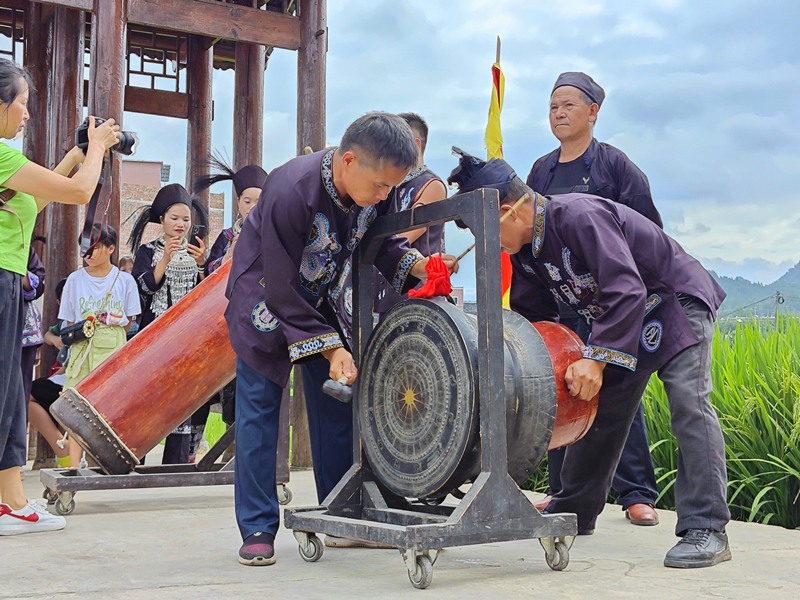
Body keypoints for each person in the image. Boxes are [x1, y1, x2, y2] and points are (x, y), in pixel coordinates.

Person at [448, 150, 731, 568]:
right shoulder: (526, 254)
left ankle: (707, 528)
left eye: (483, 231)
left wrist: (596, 360)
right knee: (595, 406)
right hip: (623, 319)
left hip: (673, 301)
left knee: (688, 403)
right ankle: (575, 510)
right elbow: (533, 326)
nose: (486, 243)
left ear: (508, 212)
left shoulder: (577, 216)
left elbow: (626, 289)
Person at [225, 112, 458, 566]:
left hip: (320, 302)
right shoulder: (290, 189)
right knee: (259, 414)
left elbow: (379, 244)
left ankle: (339, 513)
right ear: (348, 160)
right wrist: (331, 347)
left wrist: (417, 265)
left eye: (392, 188)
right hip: (264, 300)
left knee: (337, 405)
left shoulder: (377, 189)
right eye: (380, 187)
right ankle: (257, 526)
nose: (384, 195)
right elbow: (278, 282)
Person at [527, 72, 660, 526]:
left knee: (619, 394)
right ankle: (564, 494)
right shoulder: (541, 171)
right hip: (567, 302)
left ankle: (636, 493)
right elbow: (532, 238)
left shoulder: (615, 167)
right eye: (552, 106)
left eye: (567, 105)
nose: (559, 113)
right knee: (562, 392)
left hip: (617, 305)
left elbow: (647, 237)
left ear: (593, 111)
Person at [0, 57, 120, 535]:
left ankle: (11, 501)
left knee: (11, 394)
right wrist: (98, 149)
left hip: (8, 284)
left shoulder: (9, 166)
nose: (27, 115)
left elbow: (37, 199)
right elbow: (78, 193)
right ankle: (10, 501)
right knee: (6, 393)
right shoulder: (2, 156)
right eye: (23, 104)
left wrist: (78, 151)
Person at [190, 158, 268, 459]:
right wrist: (232, 254)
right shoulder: (226, 237)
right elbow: (211, 270)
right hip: (224, 322)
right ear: (238, 202)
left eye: (258, 200)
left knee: (250, 386)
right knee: (222, 387)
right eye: (247, 200)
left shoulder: (270, 232)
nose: (252, 206)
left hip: (259, 320)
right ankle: (216, 446)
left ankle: (242, 449)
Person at [129, 183, 208, 463]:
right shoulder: (147, 252)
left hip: (188, 336)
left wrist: (201, 266)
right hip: (154, 333)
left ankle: (176, 461)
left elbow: (205, 296)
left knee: (183, 396)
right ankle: (134, 454)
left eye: (185, 219)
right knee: (149, 393)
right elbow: (145, 290)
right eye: (174, 218)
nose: (180, 224)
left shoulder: (196, 251)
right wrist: (164, 259)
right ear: (161, 219)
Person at [59, 225, 141, 467]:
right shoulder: (74, 280)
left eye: (94, 247)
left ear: (111, 248)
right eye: (84, 248)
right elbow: (69, 322)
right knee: (76, 407)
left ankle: (106, 461)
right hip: (82, 351)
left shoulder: (125, 281)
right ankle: (74, 464)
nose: (88, 253)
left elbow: (129, 322)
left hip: (112, 351)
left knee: (112, 406)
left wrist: (109, 326)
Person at [27, 279, 70, 466]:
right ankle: (62, 449)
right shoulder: (64, 323)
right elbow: (48, 335)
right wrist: (55, 340)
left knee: (27, 395)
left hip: (77, 378)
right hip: (65, 374)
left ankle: (62, 449)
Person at [20, 246, 46, 403]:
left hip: (19, 326)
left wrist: (19, 273)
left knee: (19, 388)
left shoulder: (21, 244)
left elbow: (38, 284)